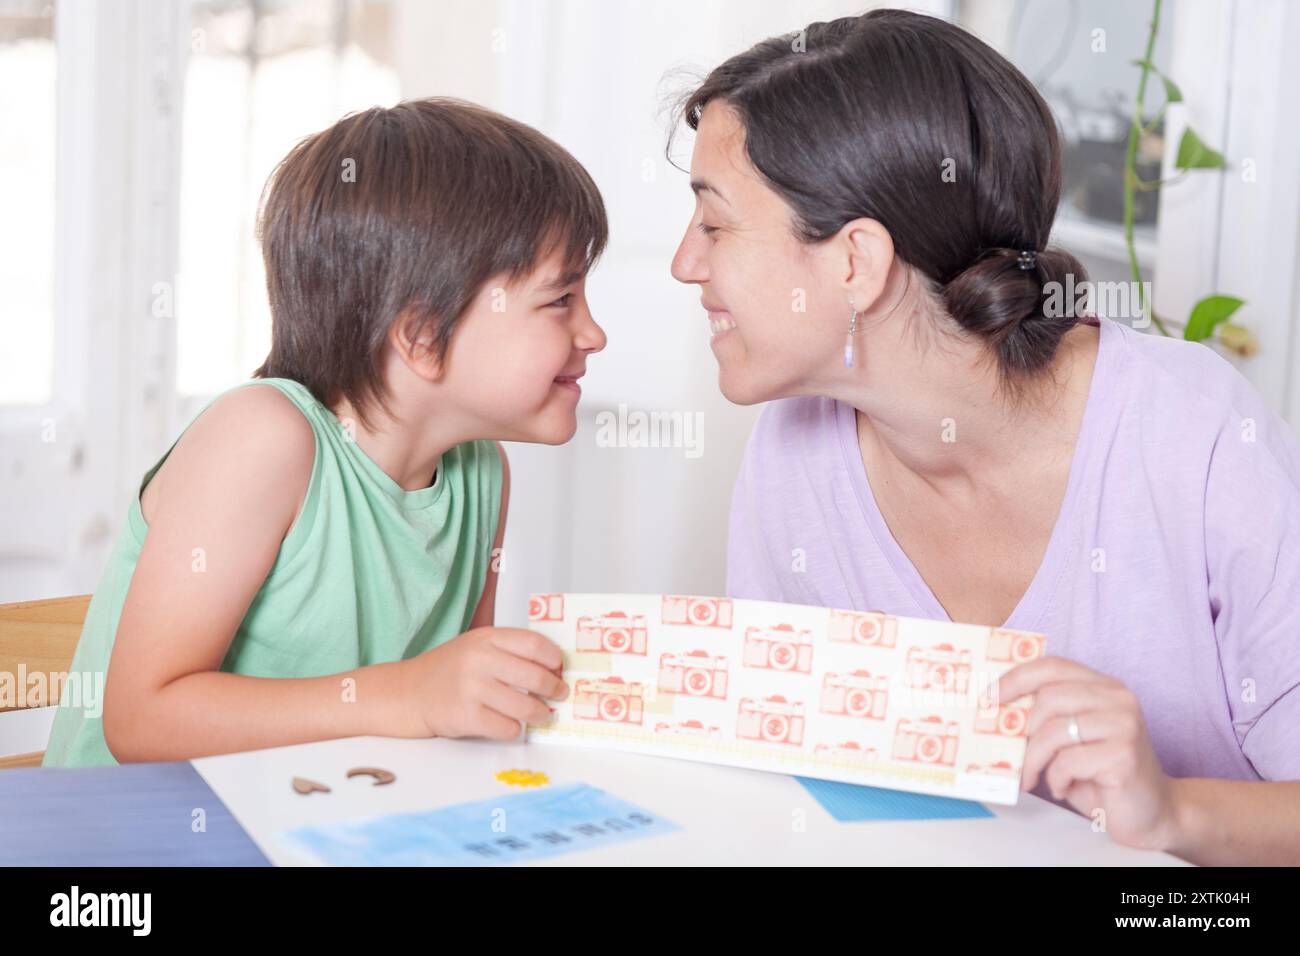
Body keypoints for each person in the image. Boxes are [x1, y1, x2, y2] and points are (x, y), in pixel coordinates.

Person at [669, 9, 1300, 865]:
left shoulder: (1195, 438)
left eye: (713, 224)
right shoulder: (795, 453)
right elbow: (788, 787)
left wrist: (1173, 815)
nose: (684, 263)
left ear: (855, 261)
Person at [43, 98, 606, 767]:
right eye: (559, 300)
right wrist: (408, 696)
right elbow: (142, 721)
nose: (593, 334)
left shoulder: (482, 472)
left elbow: (446, 713)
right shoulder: (262, 440)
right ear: (424, 336)